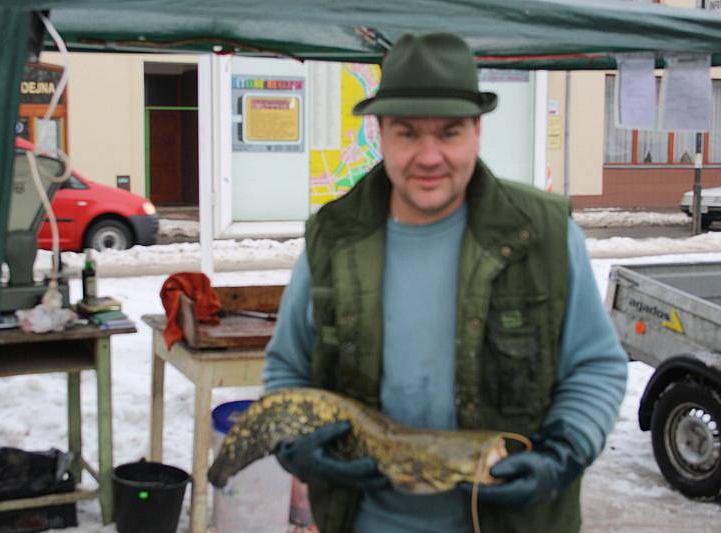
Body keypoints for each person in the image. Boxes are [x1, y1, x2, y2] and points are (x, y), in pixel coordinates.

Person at [262, 32, 628, 533]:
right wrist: (295, 446)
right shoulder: (333, 238)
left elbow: (596, 366)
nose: (429, 156)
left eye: (450, 133)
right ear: (381, 133)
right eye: (408, 133)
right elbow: (287, 367)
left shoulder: (541, 235)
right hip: (363, 521)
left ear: (477, 131)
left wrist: (562, 454)